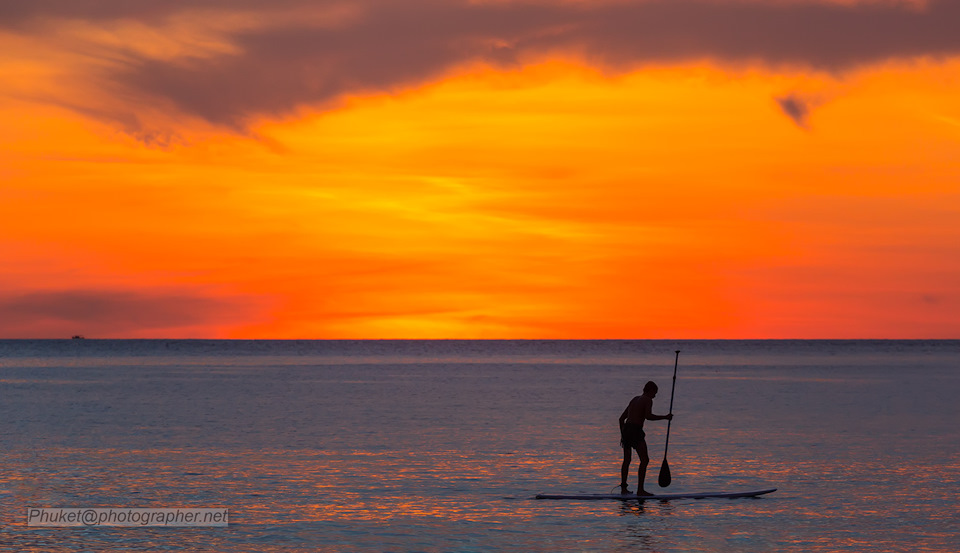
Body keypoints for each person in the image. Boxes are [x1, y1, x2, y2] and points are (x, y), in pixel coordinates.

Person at [619, 381, 673, 495]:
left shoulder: (634, 399)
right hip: (635, 431)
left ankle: (623, 489)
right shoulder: (648, 400)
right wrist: (665, 417)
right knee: (645, 460)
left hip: (627, 430)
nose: (655, 396)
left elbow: (621, 419)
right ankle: (640, 490)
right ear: (650, 390)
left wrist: (623, 435)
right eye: (655, 393)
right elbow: (648, 416)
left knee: (627, 460)